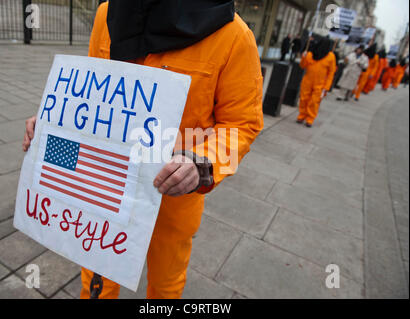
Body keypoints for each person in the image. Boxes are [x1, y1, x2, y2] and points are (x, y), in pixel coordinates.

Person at [22, 0, 263, 299]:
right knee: (96, 271)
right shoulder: (107, 14)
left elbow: (242, 124)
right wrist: (51, 122)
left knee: (165, 282)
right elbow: (92, 92)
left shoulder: (233, 35)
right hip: (105, 181)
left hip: (173, 192)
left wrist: (203, 164)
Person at [296, 37, 336, 127]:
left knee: (314, 101)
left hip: (320, 83)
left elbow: (331, 73)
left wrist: (326, 87)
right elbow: (303, 66)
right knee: (303, 99)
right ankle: (302, 115)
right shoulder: (310, 53)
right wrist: (303, 57)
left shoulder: (331, 57)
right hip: (307, 81)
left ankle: (310, 118)